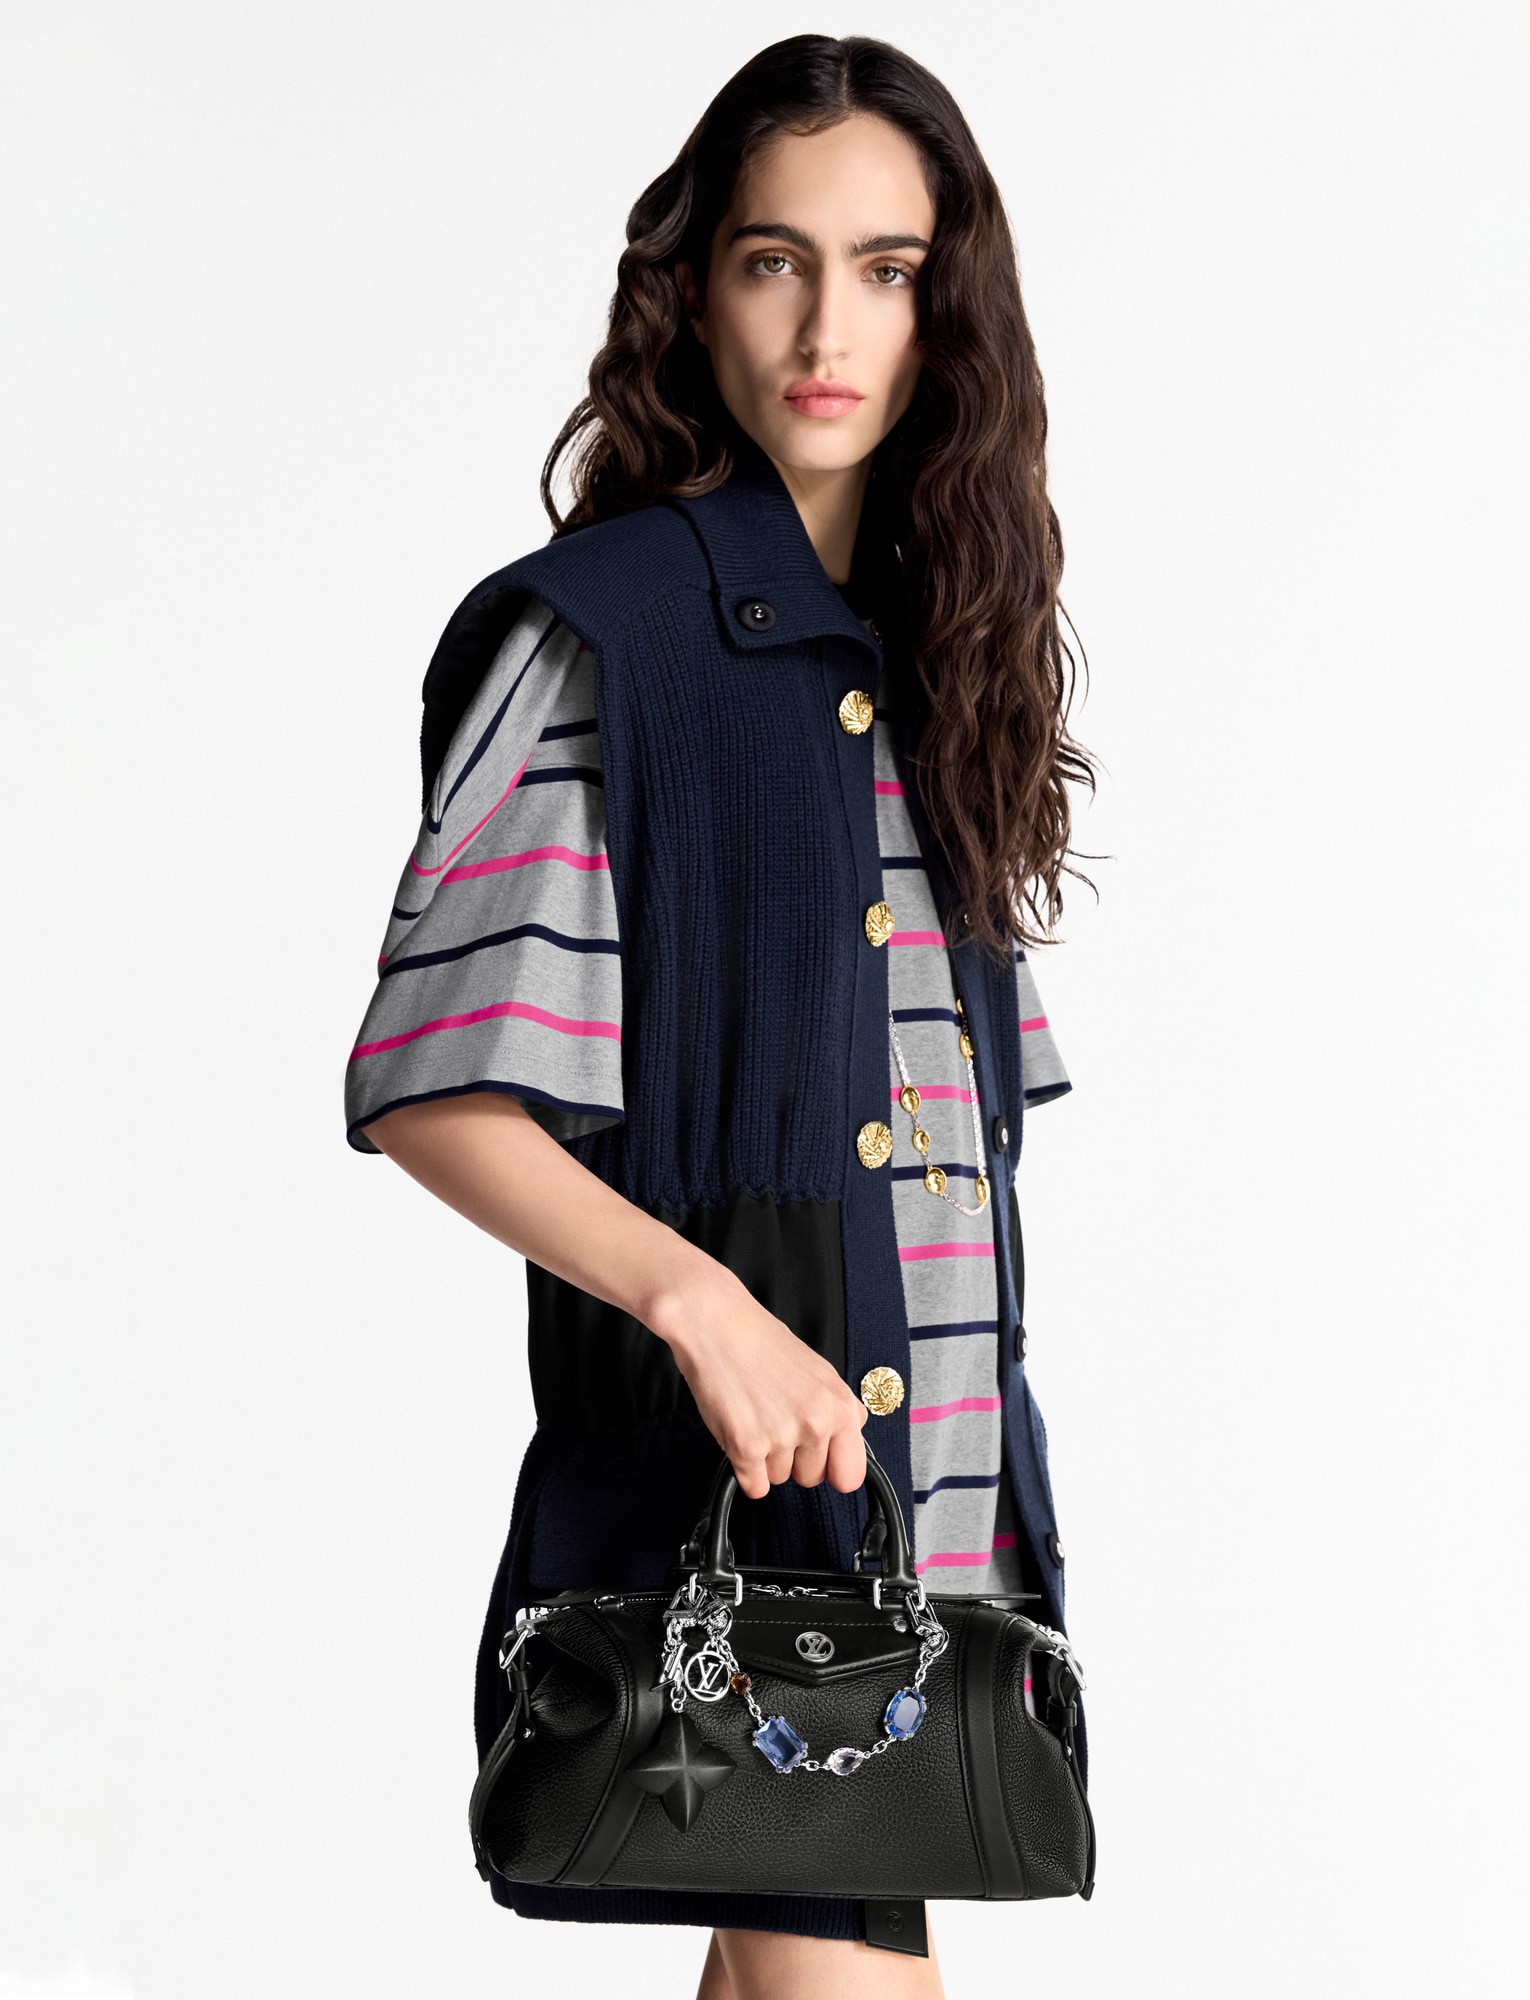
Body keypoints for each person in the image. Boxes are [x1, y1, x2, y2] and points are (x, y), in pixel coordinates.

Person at [344, 33, 1092, 2000]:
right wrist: (703, 1304)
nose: (827, 329)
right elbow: (433, 1085)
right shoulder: (606, 636)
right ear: (695, 291)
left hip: (930, 1520)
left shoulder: (932, 663)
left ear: (948, 309)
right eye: (775, 262)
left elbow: (959, 1157)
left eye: (884, 269)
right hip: (745, 1523)